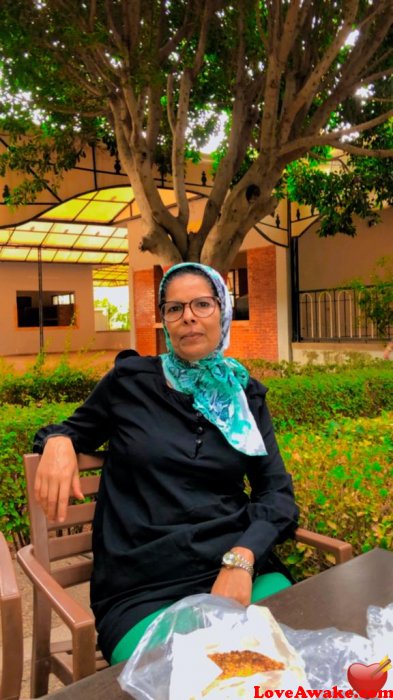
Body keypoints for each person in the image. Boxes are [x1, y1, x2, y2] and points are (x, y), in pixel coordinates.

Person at [33, 262, 299, 665]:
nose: (188, 316)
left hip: (235, 569)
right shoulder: (130, 382)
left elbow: (277, 494)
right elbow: (71, 430)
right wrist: (57, 440)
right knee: (186, 682)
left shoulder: (245, 396)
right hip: (141, 589)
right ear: (164, 321)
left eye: (202, 304)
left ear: (222, 311)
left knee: (290, 665)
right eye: (174, 308)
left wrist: (244, 557)